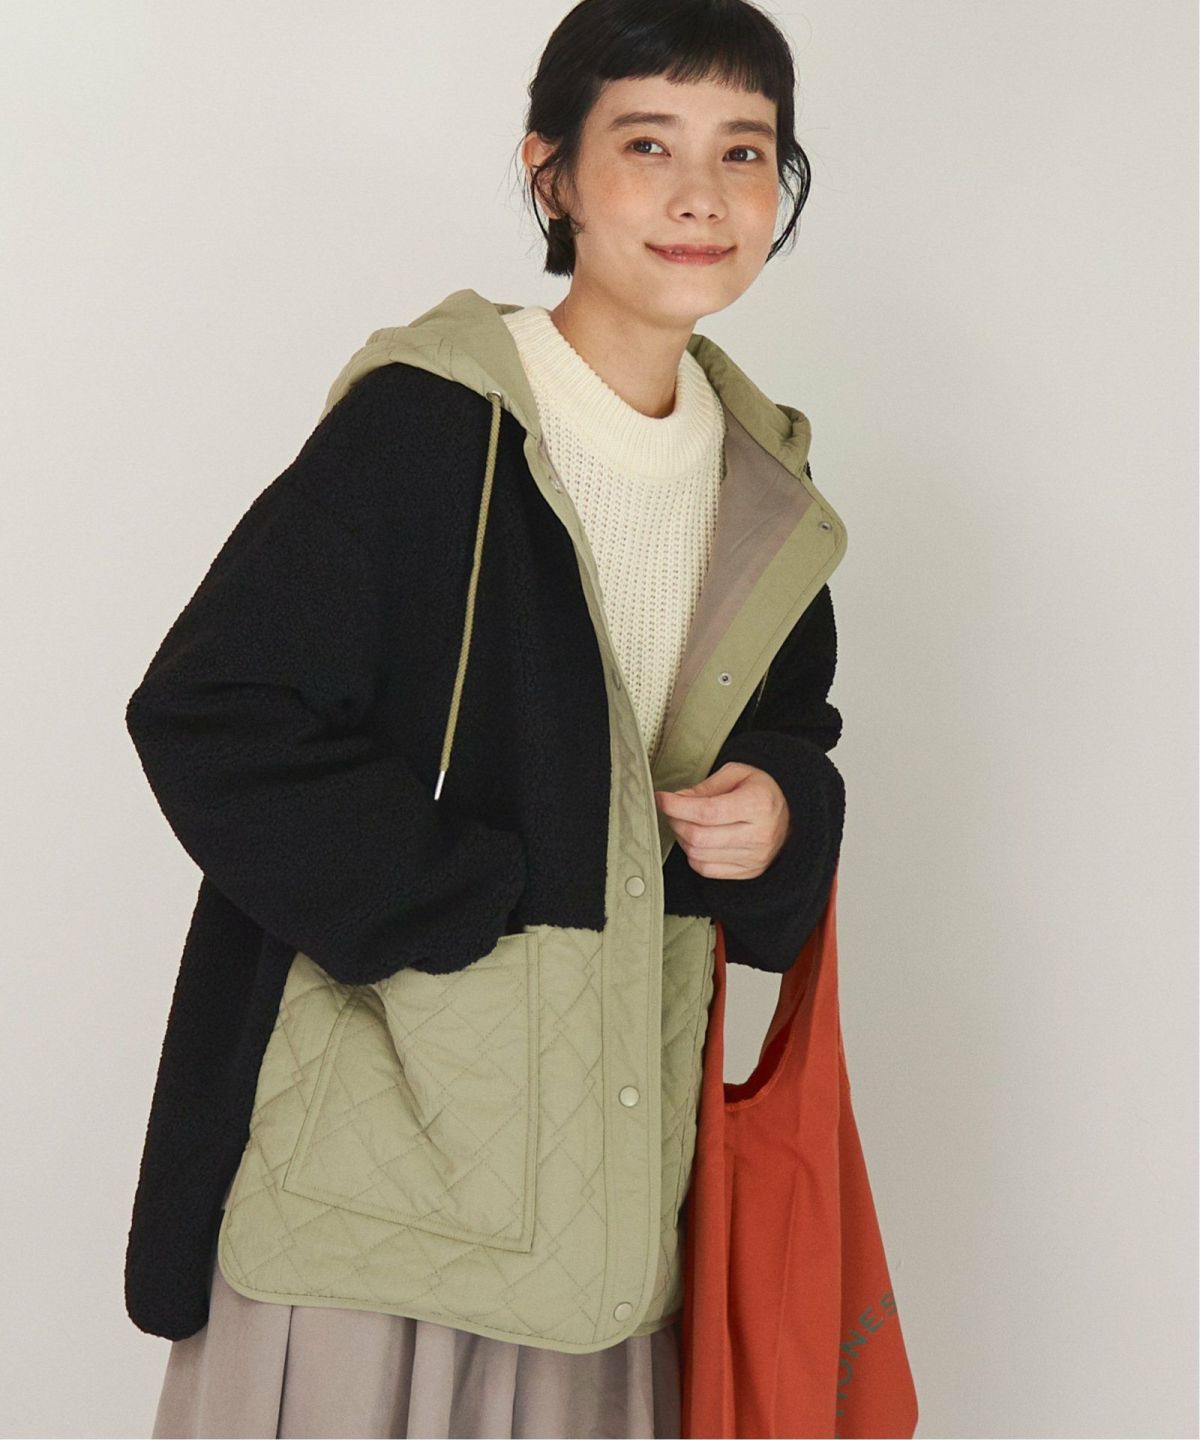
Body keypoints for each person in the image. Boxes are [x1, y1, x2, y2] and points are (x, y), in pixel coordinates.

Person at [130, 1, 847, 1435]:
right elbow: (213, 709)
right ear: (551, 172)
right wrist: (467, 899)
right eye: (646, 143)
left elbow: (793, 732)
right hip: (378, 1182)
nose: (701, 195)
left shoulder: (764, 489)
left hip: (606, 1185)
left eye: (743, 150)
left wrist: (781, 809)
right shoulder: (431, 425)